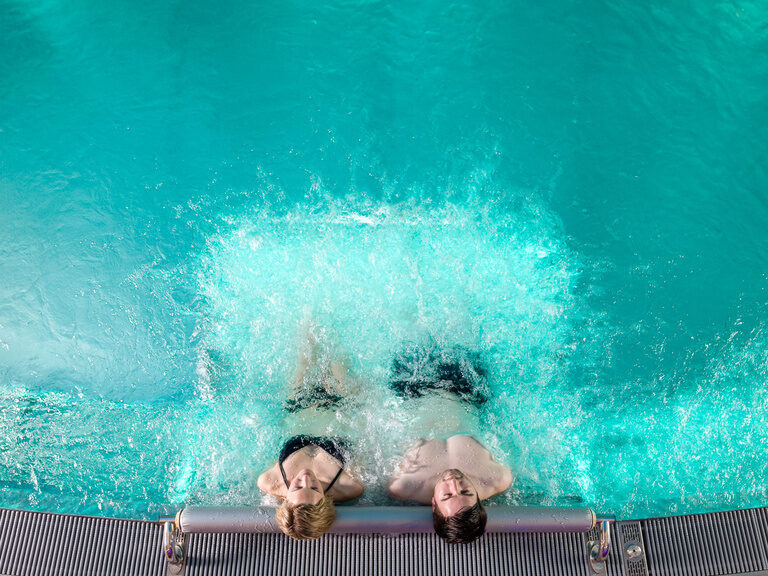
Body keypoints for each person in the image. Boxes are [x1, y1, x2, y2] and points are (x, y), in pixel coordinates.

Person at [257, 324, 364, 540]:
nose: (306, 478)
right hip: (340, 403)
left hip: (299, 405)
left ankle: (308, 313)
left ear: (285, 500)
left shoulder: (270, 481)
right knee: (334, 347)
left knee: (306, 345)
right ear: (325, 500)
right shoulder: (348, 486)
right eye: (314, 488)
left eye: (297, 487)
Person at [388, 435, 512, 544]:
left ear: (434, 503)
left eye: (447, 495)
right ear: (478, 498)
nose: (454, 482)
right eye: (466, 492)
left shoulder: (404, 485)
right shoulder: (497, 478)